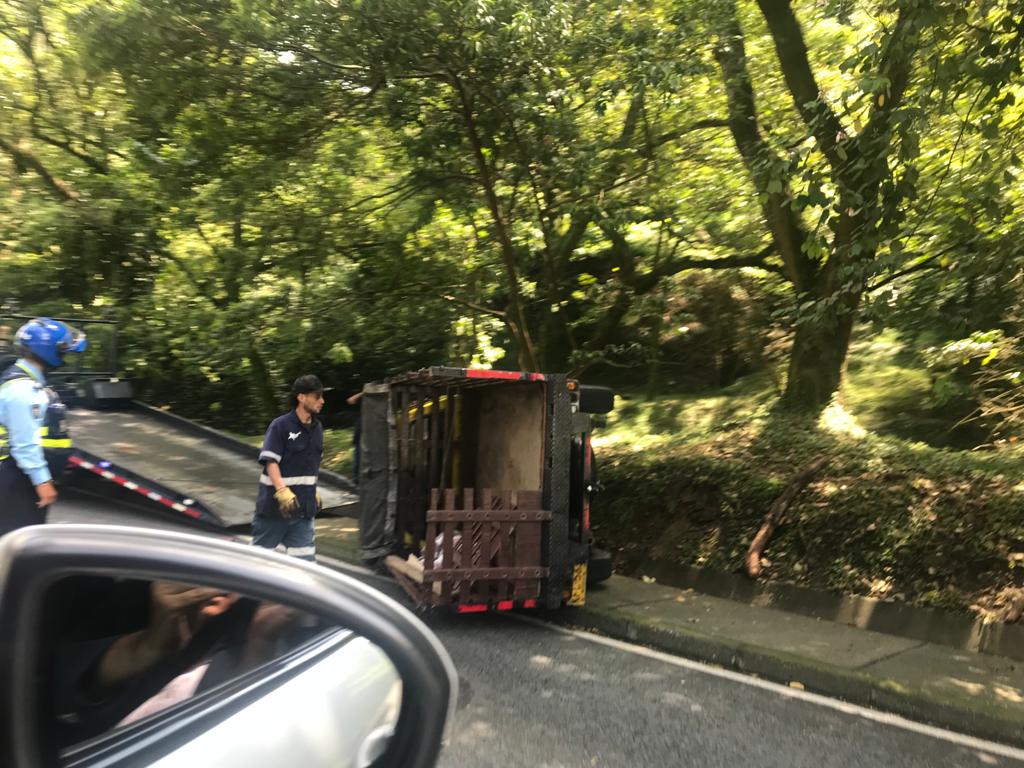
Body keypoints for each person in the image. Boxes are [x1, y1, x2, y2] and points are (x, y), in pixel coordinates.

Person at [0, 317, 86, 534]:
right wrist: (43, 482)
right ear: (48, 350)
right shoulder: (24, 390)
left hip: (14, 474)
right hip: (14, 479)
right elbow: (24, 443)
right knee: (18, 539)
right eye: (63, 350)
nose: (64, 355)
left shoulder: (23, 381)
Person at [252, 374, 326, 561]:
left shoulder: (317, 428)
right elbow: (271, 461)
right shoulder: (281, 426)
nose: (322, 401)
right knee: (256, 565)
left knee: (306, 566)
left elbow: (311, 465)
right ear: (301, 398)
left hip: (303, 511)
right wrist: (282, 490)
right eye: (317, 396)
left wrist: (312, 491)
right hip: (275, 511)